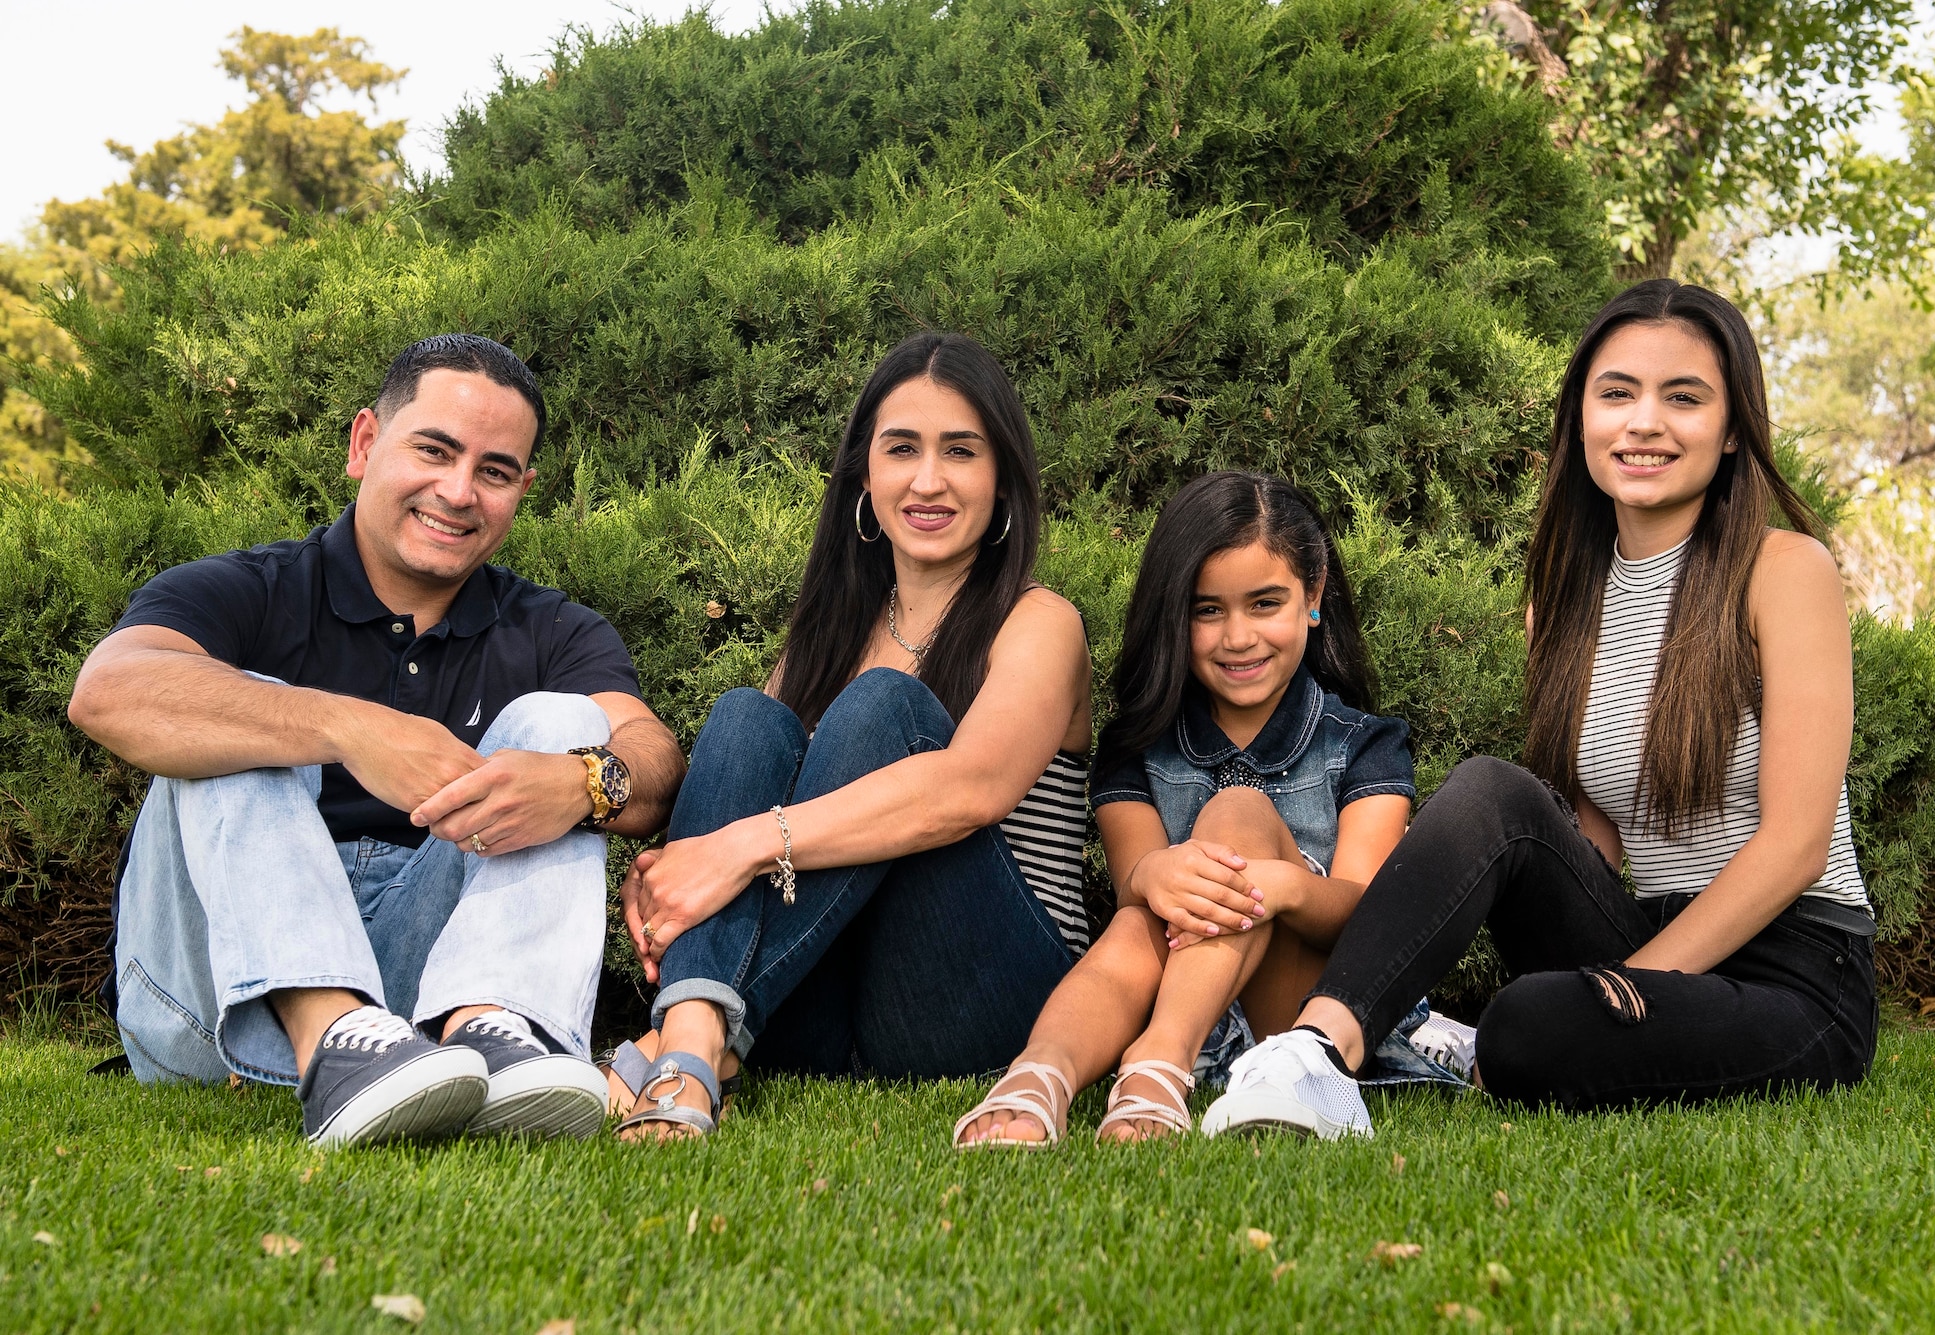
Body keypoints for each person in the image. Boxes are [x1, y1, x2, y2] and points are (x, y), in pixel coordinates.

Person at [1202, 280, 1878, 1138]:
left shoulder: (1785, 570)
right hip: (1652, 933)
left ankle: (1455, 1044)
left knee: (1527, 1027)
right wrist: (1615, 977)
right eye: (1617, 393)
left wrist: (1626, 987)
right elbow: (1589, 837)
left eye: (1684, 397)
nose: (1644, 422)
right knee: (1494, 792)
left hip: (1798, 972)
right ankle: (1315, 1054)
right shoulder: (1563, 601)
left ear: (1734, 426)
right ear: (1582, 419)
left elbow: (1795, 848)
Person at [68, 334, 684, 1148]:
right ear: (365, 443)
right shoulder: (250, 589)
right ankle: (330, 1037)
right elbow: (106, 690)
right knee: (239, 704)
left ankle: (497, 1029)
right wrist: (344, 726)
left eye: (495, 471)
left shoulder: (553, 629)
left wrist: (584, 784)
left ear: (521, 490)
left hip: (418, 1006)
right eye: (434, 449)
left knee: (567, 730)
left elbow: (654, 759)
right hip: (211, 996)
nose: (458, 491)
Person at [605, 330, 1092, 1141]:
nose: (928, 480)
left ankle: (668, 1041)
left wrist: (731, 850)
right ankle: (697, 1041)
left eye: (961, 452)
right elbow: (749, 781)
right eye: (901, 448)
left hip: (982, 990)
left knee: (882, 709)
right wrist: (679, 874)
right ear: (864, 476)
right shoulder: (829, 633)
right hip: (818, 1008)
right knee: (744, 718)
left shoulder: (1040, 622)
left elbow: (972, 788)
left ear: (1002, 478)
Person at [955, 471, 1417, 1146]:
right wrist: (1152, 874)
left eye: (1265, 604)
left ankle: (1157, 1060)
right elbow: (1134, 881)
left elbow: (1369, 915)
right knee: (1145, 910)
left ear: (1312, 597)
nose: (1237, 637)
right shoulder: (1137, 751)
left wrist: (1286, 887)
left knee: (1238, 812)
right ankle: (1042, 1069)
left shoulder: (1365, 744)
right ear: (1176, 613)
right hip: (1173, 966)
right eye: (1208, 610)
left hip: (1301, 1021)